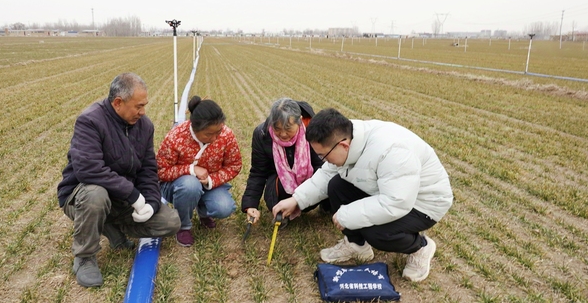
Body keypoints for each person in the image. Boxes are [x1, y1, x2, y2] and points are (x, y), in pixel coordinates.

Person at [272, 108, 453, 282]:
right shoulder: (347, 139)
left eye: (323, 155)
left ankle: (420, 247)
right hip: (387, 190)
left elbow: (396, 202)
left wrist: (347, 215)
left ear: (343, 145)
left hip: (423, 203)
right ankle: (357, 246)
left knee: (375, 231)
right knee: (335, 185)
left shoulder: (392, 151)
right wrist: (296, 200)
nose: (323, 161)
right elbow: (327, 174)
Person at [57, 73, 180, 288]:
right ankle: (84, 257)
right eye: (138, 106)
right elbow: (89, 170)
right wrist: (133, 195)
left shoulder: (144, 126)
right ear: (118, 103)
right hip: (83, 197)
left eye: (145, 106)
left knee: (170, 222)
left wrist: (150, 202)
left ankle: (111, 226)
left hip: (121, 200)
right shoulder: (91, 121)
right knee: (97, 194)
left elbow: (148, 169)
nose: (142, 112)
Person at [157, 96, 242, 247]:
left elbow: (234, 166)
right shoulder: (176, 136)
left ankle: (203, 212)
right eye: (209, 134)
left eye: (218, 131)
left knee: (224, 207)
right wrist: (190, 169)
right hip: (179, 187)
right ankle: (183, 226)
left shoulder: (226, 135)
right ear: (194, 128)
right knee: (190, 185)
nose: (215, 138)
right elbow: (161, 171)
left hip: (209, 184)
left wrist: (211, 180)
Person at [241, 98, 328, 224]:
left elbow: (322, 168)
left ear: (299, 121)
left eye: (288, 129)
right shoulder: (262, 135)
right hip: (281, 186)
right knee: (279, 186)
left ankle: (326, 207)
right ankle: (282, 212)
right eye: (277, 128)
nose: (282, 134)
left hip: (309, 183)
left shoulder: (312, 132)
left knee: (327, 176)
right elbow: (258, 172)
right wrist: (250, 204)